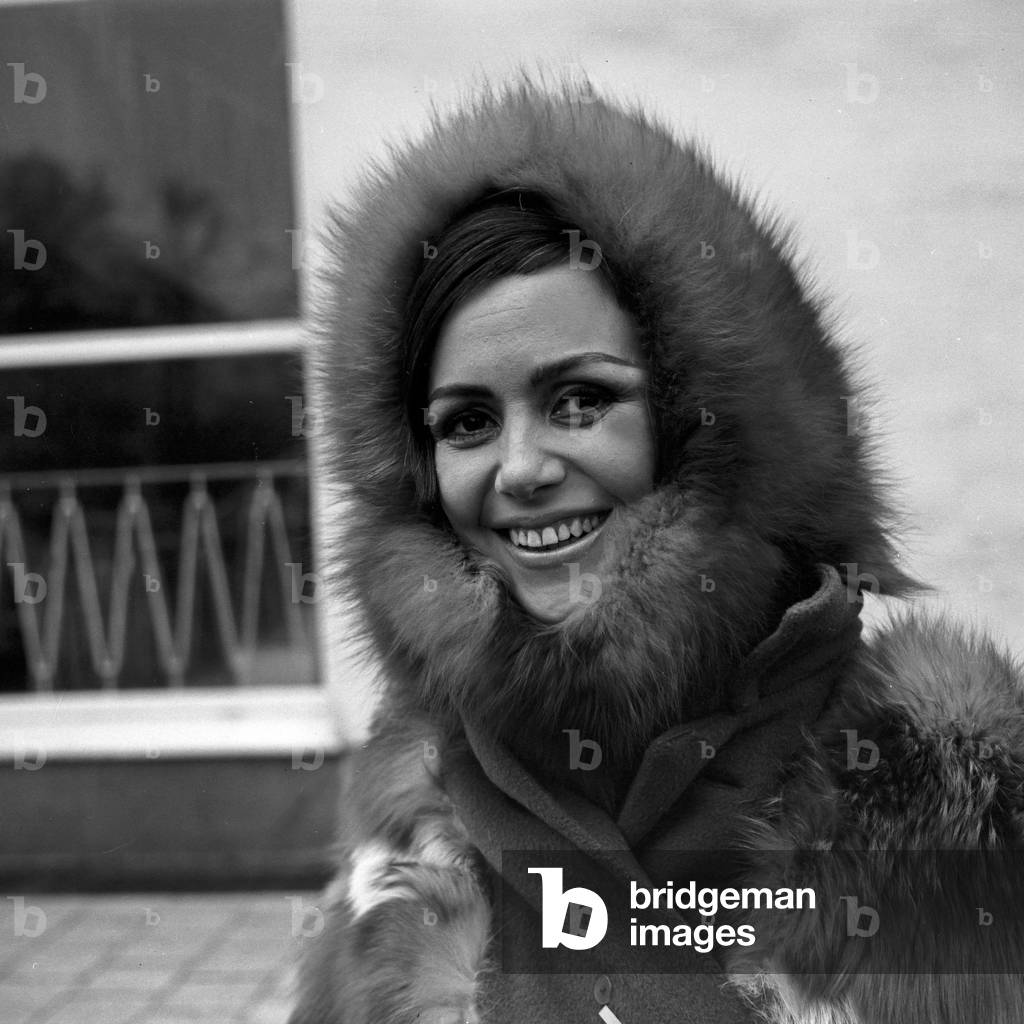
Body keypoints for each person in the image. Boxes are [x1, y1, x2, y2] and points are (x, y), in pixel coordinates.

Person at [290, 75, 1024, 1024]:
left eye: (581, 400)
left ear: (705, 426)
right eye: (467, 421)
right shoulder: (411, 812)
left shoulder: (938, 796)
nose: (521, 468)